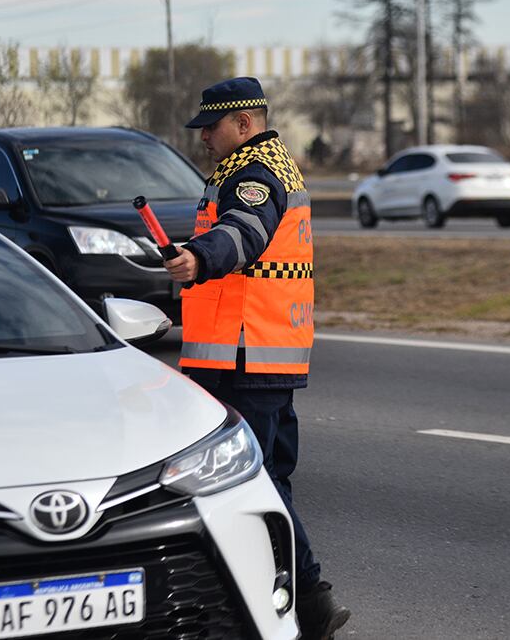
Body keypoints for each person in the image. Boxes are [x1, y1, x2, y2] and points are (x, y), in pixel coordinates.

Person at [163, 76, 350, 640]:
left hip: (245, 354)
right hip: (261, 353)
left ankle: (309, 599)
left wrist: (198, 259)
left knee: (253, 485)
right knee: (271, 482)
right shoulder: (262, 165)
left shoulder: (256, 174)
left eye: (211, 127)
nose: (204, 139)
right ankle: (281, 601)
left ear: (244, 123)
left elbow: (245, 232)